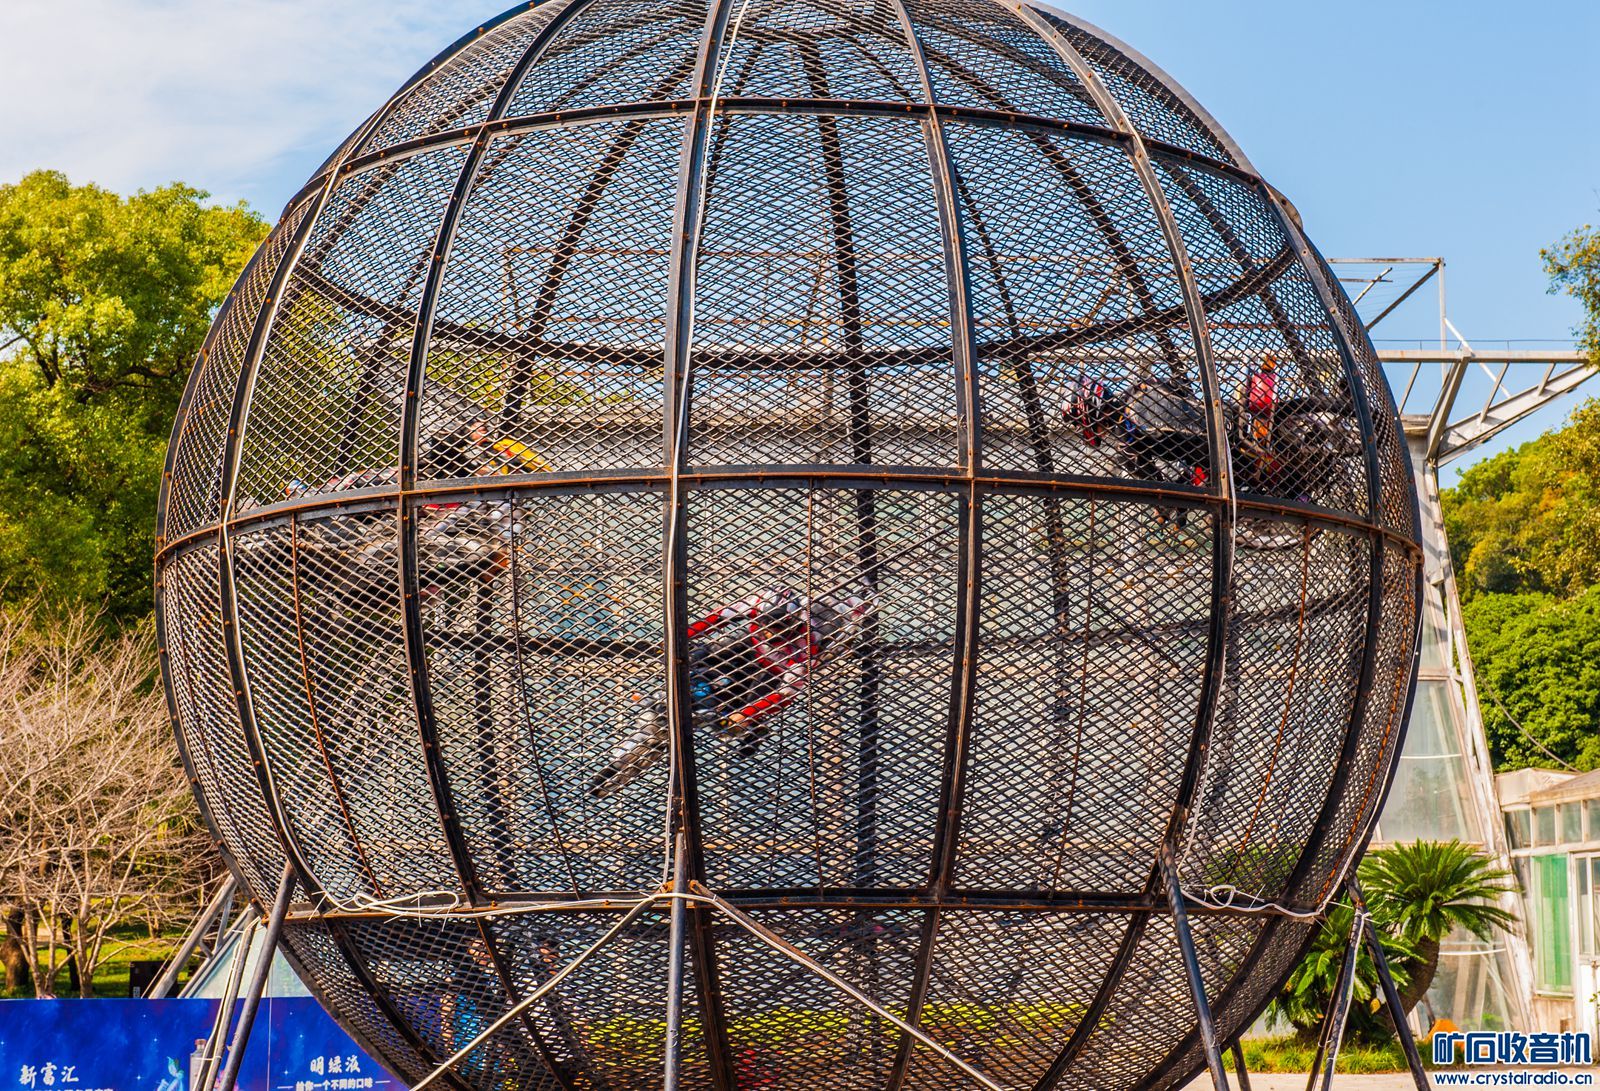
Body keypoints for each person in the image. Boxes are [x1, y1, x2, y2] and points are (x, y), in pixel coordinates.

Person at [589, 587, 875, 798]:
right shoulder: (758, 603)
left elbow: (785, 693)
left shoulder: (809, 643)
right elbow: (717, 618)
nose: (771, 633)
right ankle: (630, 750)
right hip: (744, 649)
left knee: (733, 717)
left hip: (773, 673)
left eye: (779, 627)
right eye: (767, 625)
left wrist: (747, 714)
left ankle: (748, 725)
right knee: (703, 657)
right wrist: (680, 638)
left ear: (794, 622)